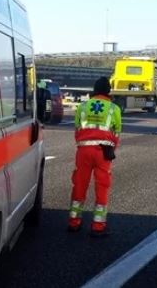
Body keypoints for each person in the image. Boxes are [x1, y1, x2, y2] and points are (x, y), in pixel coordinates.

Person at [68, 77, 122, 237]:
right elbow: (117, 132)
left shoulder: (83, 106)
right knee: (102, 187)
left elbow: (77, 127)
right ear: (108, 90)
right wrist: (111, 148)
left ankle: (74, 222)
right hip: (103, 152)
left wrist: (83, 142)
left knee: (79, 184)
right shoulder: (114, 108)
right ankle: (98, 225)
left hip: (84, 150)